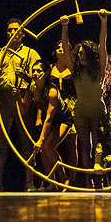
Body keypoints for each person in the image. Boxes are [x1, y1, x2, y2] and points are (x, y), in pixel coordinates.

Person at [0, 19, 41, 192]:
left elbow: (39, 76)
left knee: (27, 142)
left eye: (17, 30)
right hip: (3, 98)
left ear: (22, 33)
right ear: (7, 33)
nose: (13, 33)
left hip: (23, 97)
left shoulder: (30, 53)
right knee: (0, 142)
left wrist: (26, 75)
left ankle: (29, 181)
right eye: (10, 30)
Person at [66, 9, 111, 188]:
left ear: (91, 54)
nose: (81, 56)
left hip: (98, 110)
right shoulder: (75, 72)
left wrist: (103, 22)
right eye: (79, 53)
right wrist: (64, 27)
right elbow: (66, 48)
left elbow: (102, 44)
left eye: (85, 53)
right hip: (81, 111)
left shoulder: (99, 70)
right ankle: (88, 181)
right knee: (84, 146)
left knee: (98, 146)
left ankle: (99, 179)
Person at [29, 59, 75, 189]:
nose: (35, 73)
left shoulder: (52, 91)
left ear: (46, 73)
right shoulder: (32, 88)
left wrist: (40, 139)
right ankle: (51, 182)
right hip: (49, 119)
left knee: (48, 147)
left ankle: (64, 178)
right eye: (34, 70)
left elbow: (49, 118)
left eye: (39, 71)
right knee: (43, 150)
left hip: (62, 119)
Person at [50, 15, 78, 183]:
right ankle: (57, 177)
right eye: (59, 47)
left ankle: (71, 179)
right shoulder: (50, 68)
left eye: (65, 47)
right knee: (51, 143)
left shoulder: (73, 68)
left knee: (71, 144)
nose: (62, 49)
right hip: (54, 106)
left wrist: (64, 27)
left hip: (71, 106)